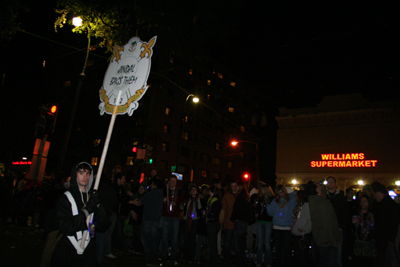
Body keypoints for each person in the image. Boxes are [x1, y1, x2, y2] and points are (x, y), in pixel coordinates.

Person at [47, 162, 110, 266]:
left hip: (88, 251)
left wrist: (99, 206)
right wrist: (87, 210)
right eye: (81, 173)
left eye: (88, 173)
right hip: (67, 249)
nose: (85, 176)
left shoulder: (92, 198)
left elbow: (103, 225)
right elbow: (66, 226)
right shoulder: (65, 198)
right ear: (75, 174)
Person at [132, 178, 164, 267]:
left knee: (145, 239)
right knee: (153, 239)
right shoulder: (161, 194)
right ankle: (153, 257)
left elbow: (139, 203)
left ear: (154, 185)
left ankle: (148, 256)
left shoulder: (150, 194)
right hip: (156, 220)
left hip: (148, 219)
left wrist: (131, 200)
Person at [307, 180, 340, 267]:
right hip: (326, 239)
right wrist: (334, 240)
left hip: (318, 237)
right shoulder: (321, 203)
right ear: (317, 189)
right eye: (318, 184)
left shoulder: (311, 201)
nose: (321, 185)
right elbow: (327, 223)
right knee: (328, 261)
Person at [371, 182, 400, 267]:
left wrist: (391, 239)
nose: (374, 197)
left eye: (374, 194)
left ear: (378, 193)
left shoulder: (385, 205)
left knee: (390, 260)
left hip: (387, 240)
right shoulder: (390, 204)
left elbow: (392, 223)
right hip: (387, 239)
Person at [267, 185, 297, 267]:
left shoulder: (290, 200)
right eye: (279, 193)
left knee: (287, 249)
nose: (281, 194)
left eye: (282, 192)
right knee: (278, 248)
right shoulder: (275, 201)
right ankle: (278, 263)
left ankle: (287, 263)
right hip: (276, 227)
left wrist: (288, 194)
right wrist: (268, 206)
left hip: (286, 227)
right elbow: (270, 213)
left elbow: (296, 194)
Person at [230, 181, 254, 267]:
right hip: (243, 222)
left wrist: (233, 218)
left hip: (239, 221)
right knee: (240, 243)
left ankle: (240, 262)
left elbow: (236, 210)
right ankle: (241, 261)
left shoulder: (240, 198)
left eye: (236, 186)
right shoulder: (245, 197)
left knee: (238, 244)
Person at [161, 175, 184, 265]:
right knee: (165, 237)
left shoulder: (179, 192)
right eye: (171, 181)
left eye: (174, 181)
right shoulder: (164, 191)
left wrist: (176, 203)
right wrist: (163, 201)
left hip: (175, 217)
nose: (173, 183)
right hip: (166, 216)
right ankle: (164, 255)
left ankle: (173, 256)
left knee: (174, 238)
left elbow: (182, 203)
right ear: (168, 182)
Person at [325, 176, 347, 267]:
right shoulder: (323, 196)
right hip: (326, 228)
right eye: (328, 181)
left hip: (338, 228)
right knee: (327, 252)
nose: (330, 183)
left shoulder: (341, 197)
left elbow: (345, 212)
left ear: (335, 184)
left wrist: (341, 226)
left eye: (332, 181)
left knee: (338, 252)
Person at [351, 195, 376, 267]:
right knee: (358, 261)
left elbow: (373, 226)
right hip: (358, 242)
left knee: (368, 261)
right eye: (361, 201)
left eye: (365, 201)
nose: (363, 203)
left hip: (368, 242)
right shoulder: (356, 213)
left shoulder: (371, 214)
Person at [254, 184, 274, 267]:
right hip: (260, 221)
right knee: (260, 242)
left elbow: (271, 211)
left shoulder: (272, 199)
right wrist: (256, 212)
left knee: (267, 243)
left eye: (262, 189)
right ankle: (259, 261)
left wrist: (267, 203)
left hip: (268, 222)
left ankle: (268, 261)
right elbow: (258, 208)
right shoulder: (260, 198)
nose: (260, 190)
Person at [181, 185, 202, 263]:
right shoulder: (187, 200)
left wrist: (198, 200)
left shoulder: (197, 200)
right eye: (192, 190)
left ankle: (191, 257)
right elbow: (181, 207)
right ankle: (185, 256)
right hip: (187, 220)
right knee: (186, 239)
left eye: (195, 190)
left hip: (194, 221)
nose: (193, 191)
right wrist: (183, 204)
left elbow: (199, 208)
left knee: (192, 239)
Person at [291, 190, 312, 267]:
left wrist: (303, 229)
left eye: (296, 196)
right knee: (297, 255)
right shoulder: (299, 206)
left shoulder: (307, 206)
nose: (295, 197)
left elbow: (309, 220)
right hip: (296, 233)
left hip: (302, 235)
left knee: (302, 256)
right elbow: (296, 218)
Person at [221, 180, 239, 263]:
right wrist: (221, 222)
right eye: (232, 186)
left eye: (235, 186)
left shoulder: (241, 195)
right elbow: (223, 210)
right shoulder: (227, 196)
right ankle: (226, 258)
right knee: (227, 241)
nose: (234, 188)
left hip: (239, 223)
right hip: (229, 222)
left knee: (237, 242)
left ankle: (235, 258)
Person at [206, 185, 222, 267]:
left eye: (209, 191)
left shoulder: (215, 201)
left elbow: (214, 214)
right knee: (212, 243)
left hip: (213, 224)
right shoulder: (212, 200)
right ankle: (213, 259)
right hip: (212, 223)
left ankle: (214, 260)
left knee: (212, 243)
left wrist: (207, 215)